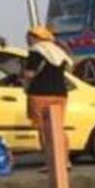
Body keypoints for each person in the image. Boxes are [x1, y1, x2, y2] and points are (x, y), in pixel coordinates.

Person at [22, 25, 73, 176]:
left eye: (29, 37)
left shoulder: (37, 51)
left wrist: (22, 74)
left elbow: (30, 74)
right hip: (60, 94)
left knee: (44, 129)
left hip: (40, 94)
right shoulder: (58, 52)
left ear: (36, 37)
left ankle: (51, 163)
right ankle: (65, 161)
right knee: (58, 128)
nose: (27, 40)